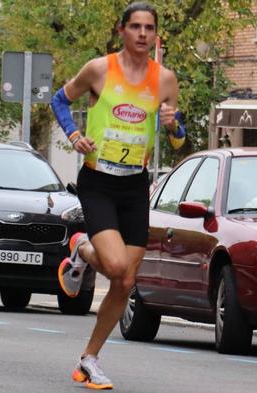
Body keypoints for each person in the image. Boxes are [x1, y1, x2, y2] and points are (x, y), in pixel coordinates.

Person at [50, 2, 185, 390]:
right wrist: (75, 135)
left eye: (150, 28)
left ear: (156, 34)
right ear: (122, 31)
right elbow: (60, 100)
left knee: (126, 282)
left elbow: (178, 139)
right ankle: (81, 250)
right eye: (136, 27)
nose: (143, 34)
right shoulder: (98, 69)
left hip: (134, 186)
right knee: (112, 266)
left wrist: (175, 127)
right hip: (99, 181)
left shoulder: (165, 80)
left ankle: (89, 359)